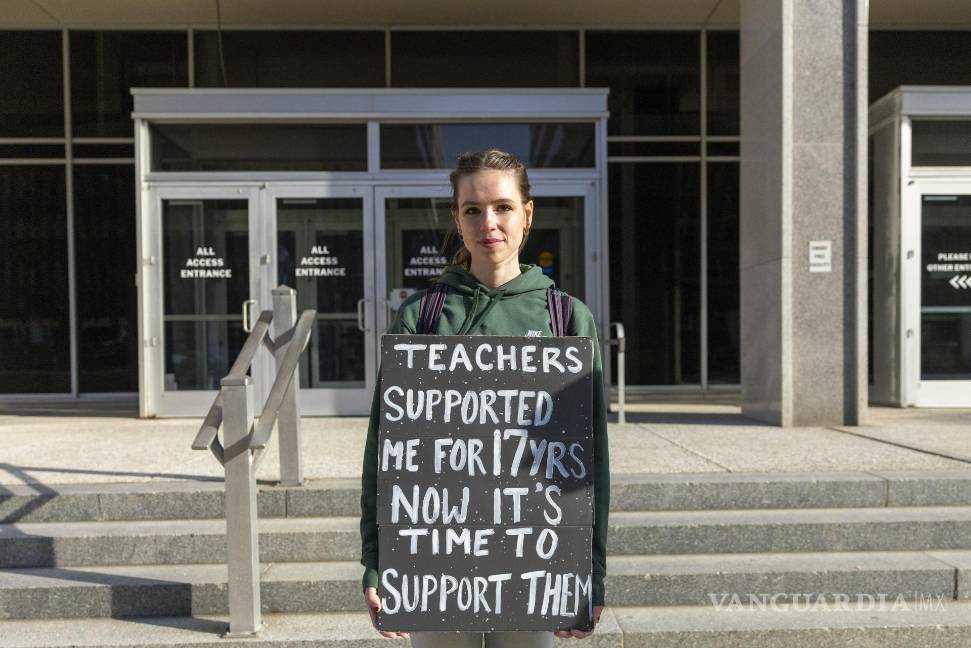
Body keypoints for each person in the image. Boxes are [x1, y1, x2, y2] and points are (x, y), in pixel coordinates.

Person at [359, 149, 610, 647]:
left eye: (502, 207)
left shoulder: (566, 320)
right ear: (456, 217)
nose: (488, 222)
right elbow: (385, 450)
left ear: (527, 214)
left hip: (534, 562)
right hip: (435, 564)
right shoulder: (421, 317)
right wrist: (378, 561)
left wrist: (590, 570)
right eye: (472, 209)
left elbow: (590, 460)